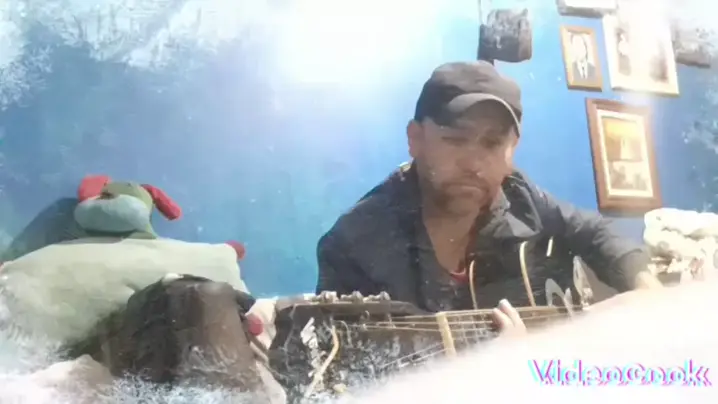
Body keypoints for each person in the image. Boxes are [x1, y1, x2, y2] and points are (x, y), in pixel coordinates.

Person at [315, 61, 661, 333]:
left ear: (513, 150)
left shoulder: (521, 198)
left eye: (492, 144)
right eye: (455, 139)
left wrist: (645, 282)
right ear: (415, 139)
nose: (474, 163)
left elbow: (595, 232)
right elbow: (348, 379)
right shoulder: (353, 245)